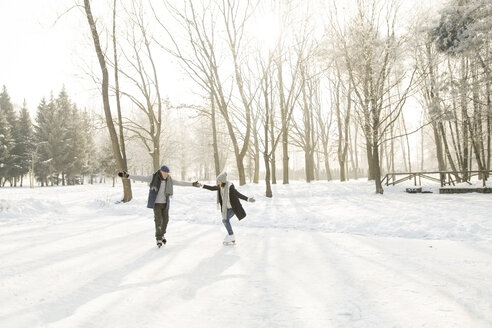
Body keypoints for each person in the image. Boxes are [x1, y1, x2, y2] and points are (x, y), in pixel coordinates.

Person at [118, 165, 201, 247]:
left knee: (165, 220)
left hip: (165, 204)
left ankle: (162, 234)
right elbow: (141, 178)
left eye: (167, 173)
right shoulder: (153, 177)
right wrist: (128, 176)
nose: (166, 175)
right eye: (165, 173)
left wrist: (192, 184)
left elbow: (180, 183)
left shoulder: (169, 179)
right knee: (158, 221)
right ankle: (158, 238)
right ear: (161, 171)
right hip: (156, 204)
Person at [202, 172, 255, 245]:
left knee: (225, 220)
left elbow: (238, 194)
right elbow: (212, 188)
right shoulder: (220, 187)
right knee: (225, 220)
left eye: (218, 181)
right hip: (227, 208)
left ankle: (231, 235)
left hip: (233, 208)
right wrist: (202, 185)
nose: (217, 183)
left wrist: (248, 199)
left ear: (223, 181)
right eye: (217, 181)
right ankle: (231, 236)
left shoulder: (230, 187)